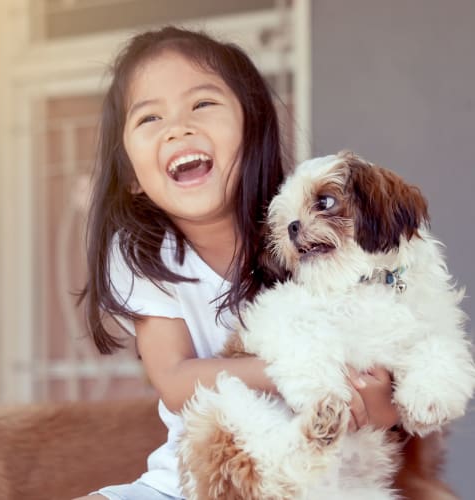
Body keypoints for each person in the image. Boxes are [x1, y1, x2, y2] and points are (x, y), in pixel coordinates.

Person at [74, 26, 399, 500]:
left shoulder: (308, 231)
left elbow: (387, 404)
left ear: (253, 130)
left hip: (313, 480)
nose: (177, 128)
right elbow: (176, 381)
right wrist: (294, 371)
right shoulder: (142, 251)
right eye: (149, 118)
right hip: (196, 481)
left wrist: (370, 396)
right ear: (131, 177)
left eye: (202, 104)